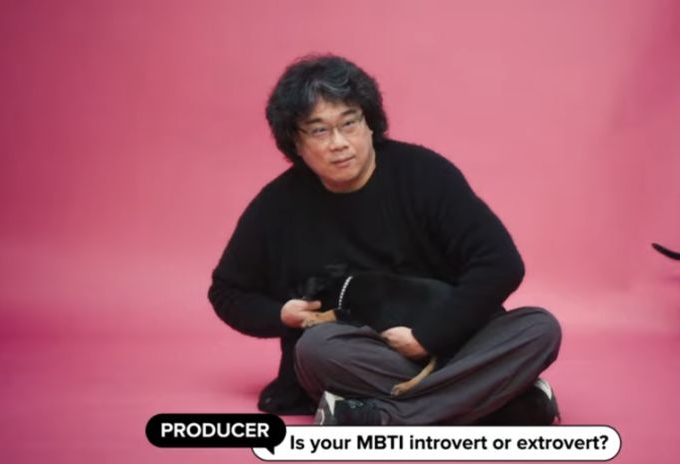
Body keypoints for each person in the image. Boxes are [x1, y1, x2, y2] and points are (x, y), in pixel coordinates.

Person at [209, 54, 562, 425]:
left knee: (539, 328)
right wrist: (280, 315)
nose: (339, 143)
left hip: (452, 343)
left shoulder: (425, 174)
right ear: (295, 142)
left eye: (349, 123)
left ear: (369, 123)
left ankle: (377, 416)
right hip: (361, 358)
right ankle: (494, 399)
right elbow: (227, 292)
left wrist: (427, 337)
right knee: (314, 350)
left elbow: (501, 263)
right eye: (319, 131)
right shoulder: (277, 205)